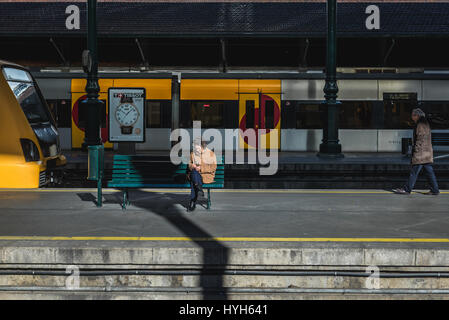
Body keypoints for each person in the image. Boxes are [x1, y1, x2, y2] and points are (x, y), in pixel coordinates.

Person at [393, 108, 439, 195]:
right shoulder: (425, 123)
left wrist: (415, 152)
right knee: (429, 172)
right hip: (427, 153)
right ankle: (435, 190)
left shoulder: (420, 124)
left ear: (417, 115)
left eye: (412, 115)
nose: (411, 117)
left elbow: (420, 139)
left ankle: (407, 189)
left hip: (421, 153)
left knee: (414, 172)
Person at [187, 139, 217, 211]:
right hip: (196, 174)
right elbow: (189, 164)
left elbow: (213, 167)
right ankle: (199, 188)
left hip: (206, 175)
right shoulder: (193, 153)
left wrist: (201, 168)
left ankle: (192, 202)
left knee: (194, 179)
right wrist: (192, 166)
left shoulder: (210, 153)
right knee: (194, 173)